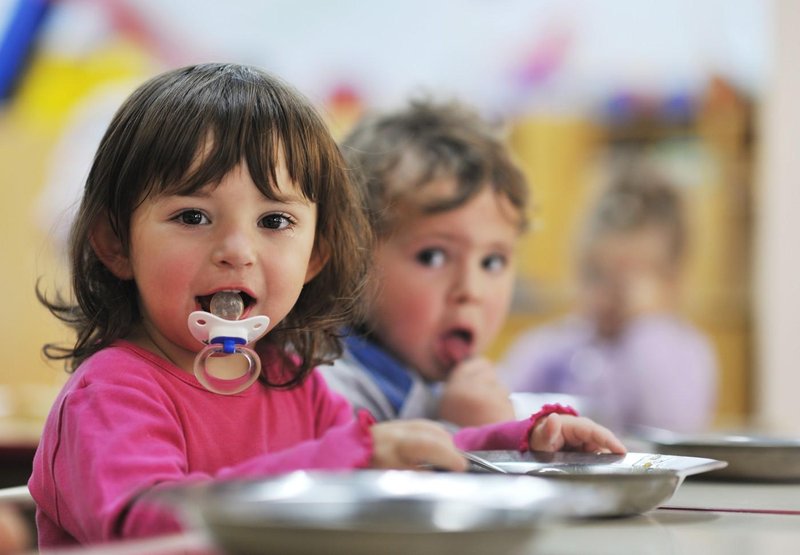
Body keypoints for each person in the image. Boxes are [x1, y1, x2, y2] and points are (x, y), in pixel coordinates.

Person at [28, 64, 625, 548]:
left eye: (275, 221)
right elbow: (141, 523)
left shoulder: (295, 382)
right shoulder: (109, 396)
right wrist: (354, 458)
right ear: (114, 243)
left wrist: (520, 441)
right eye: (192, 217)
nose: (237, 251)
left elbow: (403, 457)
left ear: (315, 256)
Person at [319, 99, 554, 427]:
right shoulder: (327, 391)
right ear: (352, 254)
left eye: (492, 261)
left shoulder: (443, 380)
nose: (470, 290)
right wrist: (471, 439)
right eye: (434, 257)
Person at [501, 165, 718, 434]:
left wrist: (647, 324)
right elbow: (503, 416)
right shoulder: (551, 347)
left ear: (671, 280)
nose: (610, 296)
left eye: (629, 281)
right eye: (597, 275)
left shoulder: (683, 352)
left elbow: (672, 425)